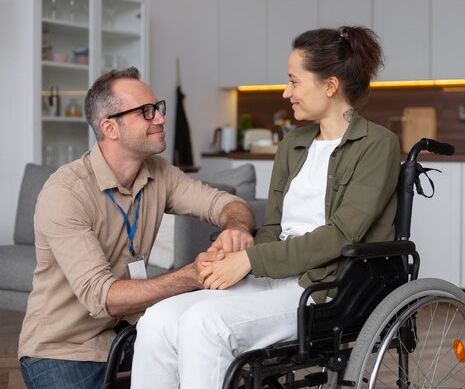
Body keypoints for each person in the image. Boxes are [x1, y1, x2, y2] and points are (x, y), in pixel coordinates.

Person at [131, 25, 401, 389]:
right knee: (158, 318)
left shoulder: (377, 145)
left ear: (330, 86)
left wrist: (249, 261)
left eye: (294, 81)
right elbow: (272, 227)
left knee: (203, 325)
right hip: (272, 276)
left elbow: (341, 235)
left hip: (325, 288)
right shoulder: (294, 144)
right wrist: (237, 252)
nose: (286, 92)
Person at [18, 67, 255, 389]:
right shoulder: (65, 193)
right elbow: (104, 297)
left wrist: (236, 228)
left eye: (157, 108)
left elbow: (227, 204)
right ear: (109, 127)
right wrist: (190, 276)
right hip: (64, 349)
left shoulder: (161, 173)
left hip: (130, 334)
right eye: (146, 112)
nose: (159, 118)